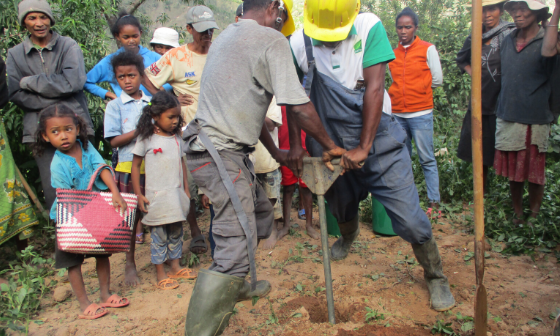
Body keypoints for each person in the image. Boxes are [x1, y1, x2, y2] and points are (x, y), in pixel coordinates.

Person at [182, 0, 344, 334]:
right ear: (272, 7)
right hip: (220, 156)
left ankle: (237, 281)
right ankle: (211, 312)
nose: (279, 26)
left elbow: (249, 110)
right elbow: (298, 107)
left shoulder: (228, 36)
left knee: (260, 213)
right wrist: (331, 146)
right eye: (280, 19)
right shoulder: (270, 40)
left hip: (216, 152)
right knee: (234, 248)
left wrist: (280, 152)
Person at [290, 0, 455, 312]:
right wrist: (311, 144)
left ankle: (435, 275)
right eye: (323, 35)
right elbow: (294, 100)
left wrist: (363, 147)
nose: (329, 41)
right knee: (341, 203)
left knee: (409, 218)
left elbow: (375, 88)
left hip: (376, 136)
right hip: (327, 142)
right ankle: (348, 237)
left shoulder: (369, 27)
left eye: (335, 34)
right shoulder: (298, 43)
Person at [34, 104, 129, 320]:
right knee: (72, 261)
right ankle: (84, 302)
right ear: (45, 136)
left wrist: (115, 191)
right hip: (68, 217)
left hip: (93, 212)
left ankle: (105, 293)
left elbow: (102, 167)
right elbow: (66, 196)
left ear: (77, 127)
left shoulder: (86, 147)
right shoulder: (57, 163)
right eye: (55, 132)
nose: (63, 136)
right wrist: (80, 217)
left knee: (102, 254)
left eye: (68, 128)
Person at [143, 5, 219, 255]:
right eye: (201, 30)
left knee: (218, 184)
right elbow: (147, 78)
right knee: (188, 186)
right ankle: (195, 231)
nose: (207, 34)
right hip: (186, 134)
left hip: (218, 131)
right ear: (188, 29)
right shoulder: (176, 56)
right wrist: (170, 102)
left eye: (210, 30)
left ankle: (216, 234)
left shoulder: (219, 52)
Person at [7, 0, 94, 214]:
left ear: (51, 19)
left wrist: (30, 82)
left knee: (88, 186)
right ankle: (64, 242)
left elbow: (73, 82)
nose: (39, 23)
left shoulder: (68, 46)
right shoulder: (15, 54)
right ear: (24, 23)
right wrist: (56, 107)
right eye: (32, 18)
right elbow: (14, 93)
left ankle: (93, 243)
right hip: (38, 132)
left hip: (76, 126)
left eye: (43, 17)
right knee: (55, 192)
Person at [494, 0, 555, 224]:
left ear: (537, 14)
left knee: (534, 169)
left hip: (536, 114)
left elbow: (552, 69)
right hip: (510, 112)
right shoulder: (509, 39)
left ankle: (535, 215)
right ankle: (518, 212)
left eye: (524, 10)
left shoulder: (546, 39)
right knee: (515, 170)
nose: (518, 14)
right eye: (515, 10)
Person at [131, 91, 197, 290]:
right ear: (155, 116)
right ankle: (160, 272)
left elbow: (181, 163)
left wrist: (186, 188)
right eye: (171, 117)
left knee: (176, 231)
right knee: (159, 235)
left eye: (177, 117)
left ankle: (175, 266)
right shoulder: (146, 139)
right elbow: (135, 166)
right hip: (156, 197)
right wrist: (138, 194)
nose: (175, 121)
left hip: (175, 195)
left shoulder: (177, 138)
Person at [388, 7, 443, 217]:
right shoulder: (392, 53)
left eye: (407, 27)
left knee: (426, 158)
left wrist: (419, 91)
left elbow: (437, 80)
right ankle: (408, 201)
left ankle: (434, 203)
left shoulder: (428, 49)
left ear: (415, 28)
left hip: (421, 113)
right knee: (403, 158)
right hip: (398, 114)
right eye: (400, 27)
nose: (403, 31)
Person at [456, 0, 515, 193]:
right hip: (479, 100)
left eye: (492, 9)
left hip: (501, 101)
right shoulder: (475, 35)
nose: (487, 14)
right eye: (483, 10)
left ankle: (504, 194)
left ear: (500, 10)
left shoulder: (510, 33)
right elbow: (462, 58)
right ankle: (481, 191)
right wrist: (472, 72)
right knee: (478, 149)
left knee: (502, 150)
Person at [103, 51, 150, 286]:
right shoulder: (114, 107)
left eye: (132, 75)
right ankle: (130, 263)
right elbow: (113, 141)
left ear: (141, 75)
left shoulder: (151, 104)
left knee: (156, 211)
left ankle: (166, 258)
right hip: (126, 166)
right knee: (131, 218)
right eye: (121, 77)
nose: (127, 80)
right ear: (116, 79)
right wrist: (139, 131)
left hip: (154, 166)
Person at [84, 11, 171, 100]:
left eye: (135, 36)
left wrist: (160, 90)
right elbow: (86, 82)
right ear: (117, 36)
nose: (131, 40)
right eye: (126, 37)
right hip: (124, 110)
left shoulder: (155, 58)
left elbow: (174, 79)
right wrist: (109, 95)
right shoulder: (110, 61)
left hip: (153, 109)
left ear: (140, 33)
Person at [265, 105, 317, 251]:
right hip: (284, 149)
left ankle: (309, 225)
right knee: (288, 188)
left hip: (304, 148)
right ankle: (286, 225)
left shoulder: (304, 101)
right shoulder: (277, 102)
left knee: (306, 188)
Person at [255, 98, 285, 251]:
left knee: (271, 198)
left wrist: (252, 107)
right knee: (253, 200)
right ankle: (259, 232)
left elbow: (271, 124)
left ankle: (272, 230)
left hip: (267, 159)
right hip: (248, 160)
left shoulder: (271, 97)